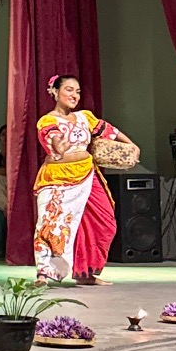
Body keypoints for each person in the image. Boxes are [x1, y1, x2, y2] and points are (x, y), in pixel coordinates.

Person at [34, 74, 134, 285]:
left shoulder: (84, 117)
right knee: (52, 224)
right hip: (58, 177)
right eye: (69, 90)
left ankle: (86, 272)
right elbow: (52, 139)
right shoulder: (47, 120)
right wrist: (59, 146)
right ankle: (45, 272)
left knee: (103, 221)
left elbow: (110, 131)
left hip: (87, 172)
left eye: (77, 91)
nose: (74, 95)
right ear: (54, 92)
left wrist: (132, 146)